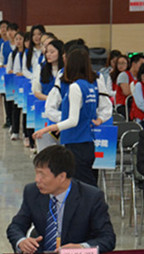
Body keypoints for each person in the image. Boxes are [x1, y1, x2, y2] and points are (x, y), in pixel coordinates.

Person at [6, 145, 115, 254]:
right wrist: (21, 241)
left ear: (62, 177)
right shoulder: (32, 192)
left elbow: (108, 238)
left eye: (42, 175)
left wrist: (82, 248)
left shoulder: (91, 197)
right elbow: (16, 226)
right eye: (36, 173)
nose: (37, 180)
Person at [33, 47, 103, 187]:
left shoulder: (75, 87)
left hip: (76, 141)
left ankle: (96, 202)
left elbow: (73, 120)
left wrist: (47, 129)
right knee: (87, 184)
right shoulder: (90, 86)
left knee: (84, 187)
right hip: (87, 141)